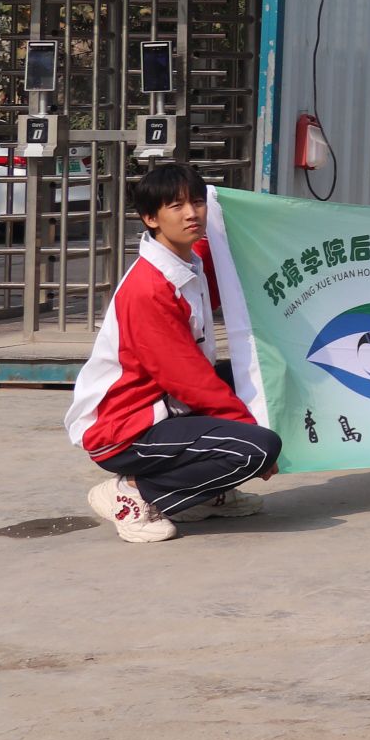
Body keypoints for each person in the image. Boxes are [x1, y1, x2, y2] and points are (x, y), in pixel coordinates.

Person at [67, 163, 281, 542]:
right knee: (256, 447)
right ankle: (134, 493)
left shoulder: (186, 263)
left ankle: (202, 495)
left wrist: (234, 211)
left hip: (165, 408)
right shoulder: (150, 288)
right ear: (150, 219)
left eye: (197, 203)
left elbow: (216, 261)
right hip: (125, 427)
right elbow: (188, 379)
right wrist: (248, 428)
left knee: (265, 379)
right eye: (176, 206)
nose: (191, 214)